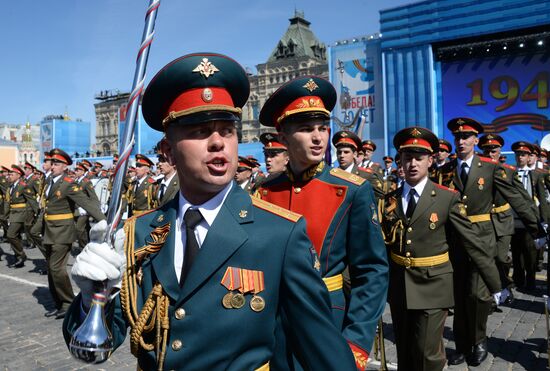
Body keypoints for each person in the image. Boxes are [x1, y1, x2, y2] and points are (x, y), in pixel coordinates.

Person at [64, 52, 356, 370]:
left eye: (227, 129)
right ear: (168, 152)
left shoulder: (279, 234)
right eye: (200, 130)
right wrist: (95, 297)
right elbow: (94, 348)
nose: (218, 142)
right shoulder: (141, 234)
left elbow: (322, 350)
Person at [256, 75, 389, 369]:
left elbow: (373, 270)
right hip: (273, 327)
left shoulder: (352, 190)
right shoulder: (264, 191)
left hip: (328, 323)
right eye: (306, 129)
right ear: (283, 137)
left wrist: (356, 340)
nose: (318, 137)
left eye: (323, 128)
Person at [382, 126, 505, 371]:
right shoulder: (388, 200)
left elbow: (473, 242)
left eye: (419, 158)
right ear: (400, 162)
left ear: (430, 161)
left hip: (433, 286)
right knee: (405, 352)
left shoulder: (447, 198)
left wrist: (495, 284)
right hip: (400, 286)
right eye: (407, 158)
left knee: (428, 354)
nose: (413, 164)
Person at [436, 118, 541, 366]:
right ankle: (462, 345)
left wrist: (537, 228)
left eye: (466, 137)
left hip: (483, 240)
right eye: (457, 137)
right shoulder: (445, 170)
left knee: (477, 296)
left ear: (475, 141)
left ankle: (479, 340)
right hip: (453, 242)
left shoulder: (490, 168)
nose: (461, 141)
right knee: (459, 296)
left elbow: (517, 197)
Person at [42, 148, 106, 319]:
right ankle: (59, 303)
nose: (53, 166)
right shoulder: (49, 180)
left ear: (64, 167)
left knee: (57, 268)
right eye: (52, 163)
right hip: (49, 230)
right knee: (50, 268)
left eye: (57, 164)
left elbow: (86, 203)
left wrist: (103, 220)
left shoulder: (68, 183)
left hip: (63, 230)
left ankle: (69, 302)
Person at [511, 141, 550, 291]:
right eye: (518, 154)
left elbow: (542, 199)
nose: (520, 157)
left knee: (530, 252)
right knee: (516, 252)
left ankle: (531, 280)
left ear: (529, 157)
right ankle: (518, 280)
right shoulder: (510, 172)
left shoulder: (536, 175)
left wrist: (543, 220)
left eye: (524, 154)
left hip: (531, 219)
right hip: (514, 219)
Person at [332, 130, 384, 199]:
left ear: (355, 154)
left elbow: (380, 197)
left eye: (346, 152)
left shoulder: (367, 175)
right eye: (339, 152)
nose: (342, 155)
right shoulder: (332, 175)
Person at [6, 165, 39, 267]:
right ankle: (18, 256)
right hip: (13, 213)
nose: (9, 176)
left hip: (21, 213)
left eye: (11, 174)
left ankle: (21, 255)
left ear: (18, 175)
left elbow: (32, 200)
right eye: (9, 174)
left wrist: (37, 213)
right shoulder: (11, 186)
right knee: (16, 236)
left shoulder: (23, 185)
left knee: (10, 235)